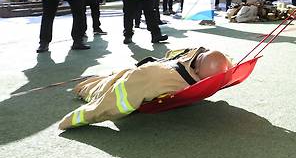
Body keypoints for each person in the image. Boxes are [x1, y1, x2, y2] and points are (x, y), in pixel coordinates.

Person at [58, 47, 233, 129]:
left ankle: (85, 87)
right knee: (110, 79)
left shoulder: (155, 78)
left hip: (131, 81)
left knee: (94, 86)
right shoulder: (197, 57)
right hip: (142, 73)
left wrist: (73, 120)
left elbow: (110, 103)